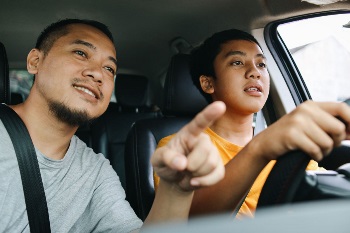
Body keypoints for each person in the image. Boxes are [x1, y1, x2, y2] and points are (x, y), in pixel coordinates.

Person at [0, 19, 226, 232]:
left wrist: (175, 192)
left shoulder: (96, 171)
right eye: (80, 53)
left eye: (109, 69)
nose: (98, 73)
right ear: (35, 62)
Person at [154, 29, 350, 219]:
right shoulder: (178, 148)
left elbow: (327, 191)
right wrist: (259, 149)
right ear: (208, 83)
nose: (254, 72)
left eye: (262, 64)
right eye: (237, 62)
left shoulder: (284, 144)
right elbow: (189, 223)